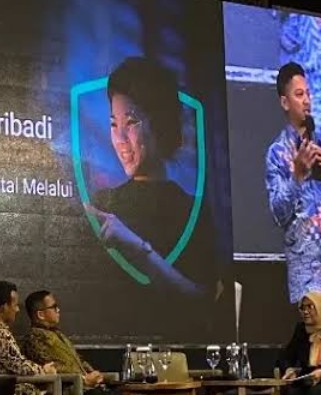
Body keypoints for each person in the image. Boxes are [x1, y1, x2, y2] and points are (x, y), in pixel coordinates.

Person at [87, 56, 222, 303]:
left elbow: (204, 300)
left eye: (131, 122)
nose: (120, 139)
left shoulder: (192, 211)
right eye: (113, 124)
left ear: (160, 124)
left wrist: (138, 248)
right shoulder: (102, 206)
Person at [265, 62, 321, 304]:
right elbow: (278, 214)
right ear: (285, 102)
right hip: (306, 274)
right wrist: (296, 175)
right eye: (299, 94)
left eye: (308, 93)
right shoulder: (277, 153)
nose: (307, 101)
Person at [22, 290, 122, 395]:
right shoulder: (34, 338)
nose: (58, 310)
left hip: (87, 387)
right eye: (54, 307)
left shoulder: (58, 334)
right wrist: (84, 379)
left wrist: (93, 373)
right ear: (41, 314)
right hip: (71, 390)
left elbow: (78, 360)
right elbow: (51, 368)